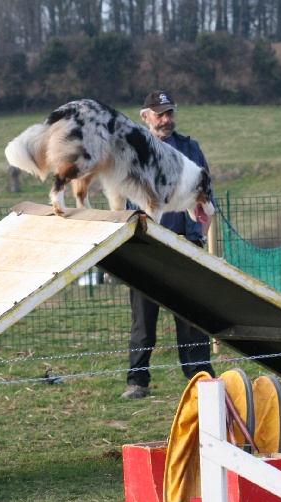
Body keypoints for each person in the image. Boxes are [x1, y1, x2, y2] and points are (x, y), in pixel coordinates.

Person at [122, 91, 216, 399]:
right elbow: (126, 203)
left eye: (170, 112)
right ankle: (138, 381)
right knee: (143, 321)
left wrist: (199, 234)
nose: (167, 119)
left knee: (193, 316)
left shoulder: (191, 149)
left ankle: (200, 376)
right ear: (145, 117)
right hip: (146, 251)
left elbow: (206, 196)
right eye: (160, 114)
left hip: (186, 248)